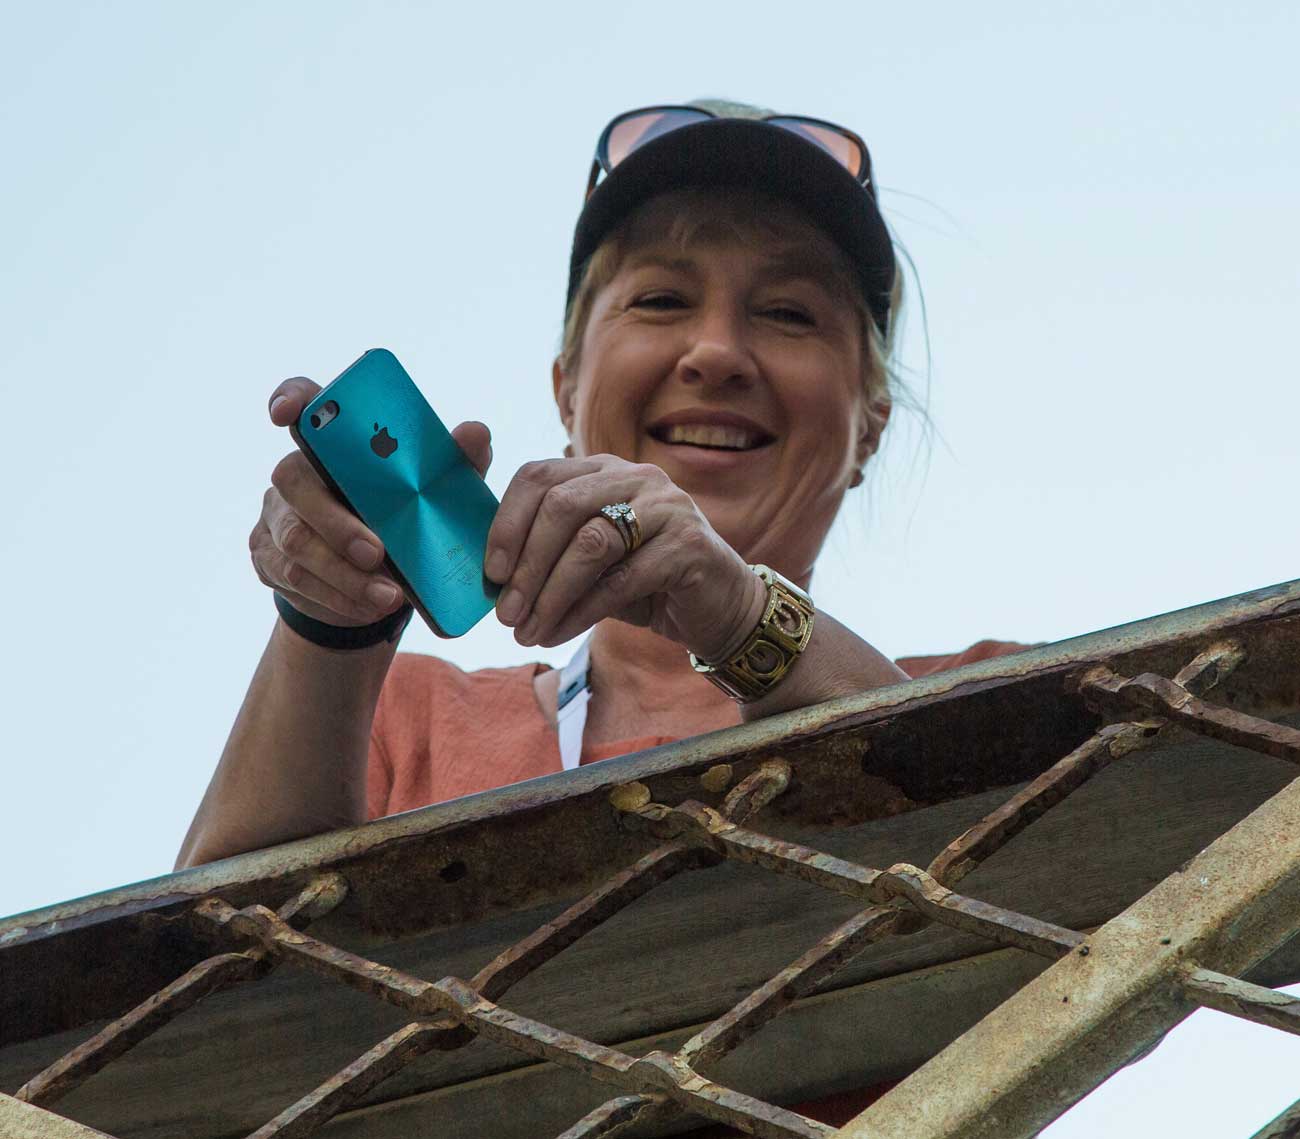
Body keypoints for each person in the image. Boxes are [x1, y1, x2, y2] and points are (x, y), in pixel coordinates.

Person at [175, 99, 1032, 1129]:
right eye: (661, 299)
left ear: (870, 423)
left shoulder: (993, 693)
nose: (716, 352)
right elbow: (189, 1019)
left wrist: (737, 609)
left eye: (789, 314)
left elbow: (1049, 943)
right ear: (567, 387)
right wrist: (329, 624)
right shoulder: (406, 720)